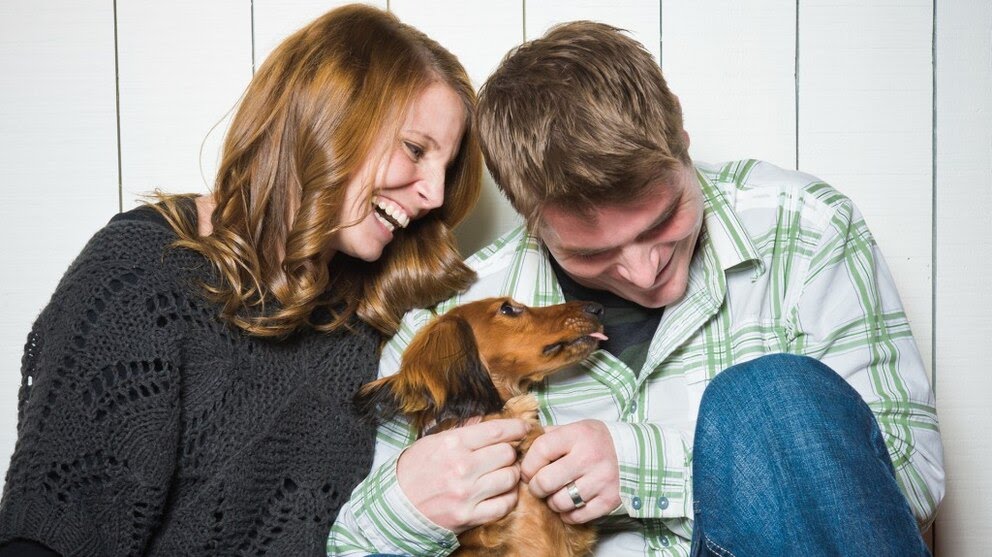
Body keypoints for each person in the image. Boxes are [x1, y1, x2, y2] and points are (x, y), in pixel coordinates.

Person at [328, 20, 944, 557]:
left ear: (680, 138)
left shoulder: (804, 228)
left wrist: (652, 470)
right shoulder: (451, 316)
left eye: (662, 220)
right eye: (591, 253)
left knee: (769, 396)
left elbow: (912, 477)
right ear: (529, 219)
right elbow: (355, 548)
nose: (646, 271)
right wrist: (414, 503)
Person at [0, 4, 488, 556]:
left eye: (445, 169)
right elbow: (50, 537)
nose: (435, 195)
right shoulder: (141, 276)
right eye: (415, 150)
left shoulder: (373, 318)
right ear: (329, 118)